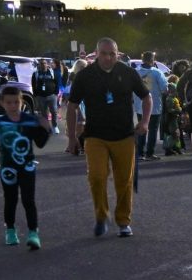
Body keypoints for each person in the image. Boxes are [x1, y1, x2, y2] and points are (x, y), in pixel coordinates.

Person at [66, 38, 151, 238]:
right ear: (96, 54)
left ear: (118, 53)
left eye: (112, 54)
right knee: (96, 177)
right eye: (104, 53)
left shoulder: (127, 72)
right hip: (95, 136)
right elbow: (72, 106)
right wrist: (71, 138)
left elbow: (147, 97)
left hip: (124, 135)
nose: (108, 57)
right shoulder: (85, 76)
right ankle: (101, 216)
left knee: (124, 181)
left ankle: (123, 221)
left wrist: (145, 121)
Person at [0, 86, 51, 249]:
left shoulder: (29, 120)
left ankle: (33, 233)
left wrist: (47, 128)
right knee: (10, 200)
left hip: (27, 166)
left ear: (21, 102)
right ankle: (10, 230)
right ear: (2, 103)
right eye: (9, 102)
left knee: (28, 199)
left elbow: (40, 143)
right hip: (8, 168)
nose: (13, 106)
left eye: (16, 102)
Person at [133, 52, 169, 161]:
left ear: (142, 59)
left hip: (139, 105)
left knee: (141, 128)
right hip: (154, 106)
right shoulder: (157, 72)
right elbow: (164, 89)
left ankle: (140, 153)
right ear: (153, 60)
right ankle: (150, 153)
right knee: (153, 130)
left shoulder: (135, 72)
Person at [31, 59, 60, 135]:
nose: (43, 65)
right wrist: (36, 95)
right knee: (44, 113)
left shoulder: (52, 72)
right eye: (41, 63)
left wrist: (56, 93)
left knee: (54, 111)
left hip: (52, 96)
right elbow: (33, 84)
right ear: (39, 65)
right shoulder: (36, 73)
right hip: (41, 97)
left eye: (44, 63)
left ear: (47, 64)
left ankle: (55, 126)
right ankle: (47, 127)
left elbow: (57, 82)